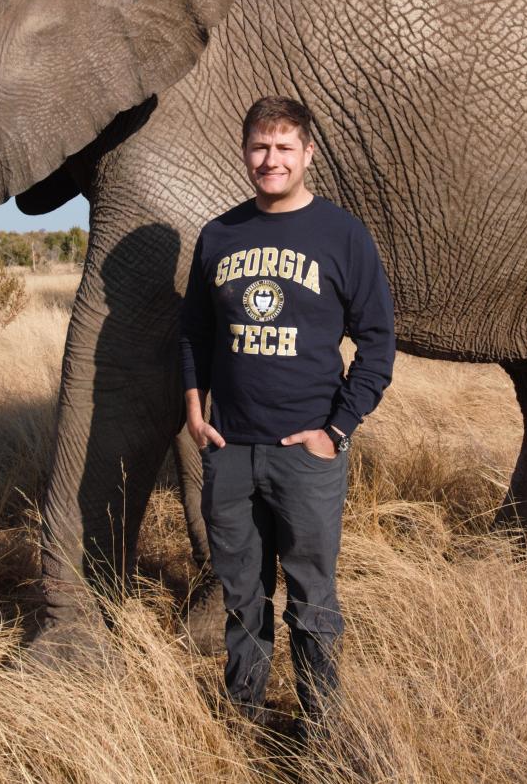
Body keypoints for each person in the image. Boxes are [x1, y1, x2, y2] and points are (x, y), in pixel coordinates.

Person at [178, 95, 396, 726]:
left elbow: (378, 340)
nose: (269, 160)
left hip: (306, 455)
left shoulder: (341, 235)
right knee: (243, 596)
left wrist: (336, 430)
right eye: (259, 147)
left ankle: (322, 722)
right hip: (230, 450)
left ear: (307, 154)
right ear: (245, 152)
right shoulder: (219, 235)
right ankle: (245, 717)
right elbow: (194, 332)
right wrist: (196, 413)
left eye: (283, 148)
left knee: (311, 596)